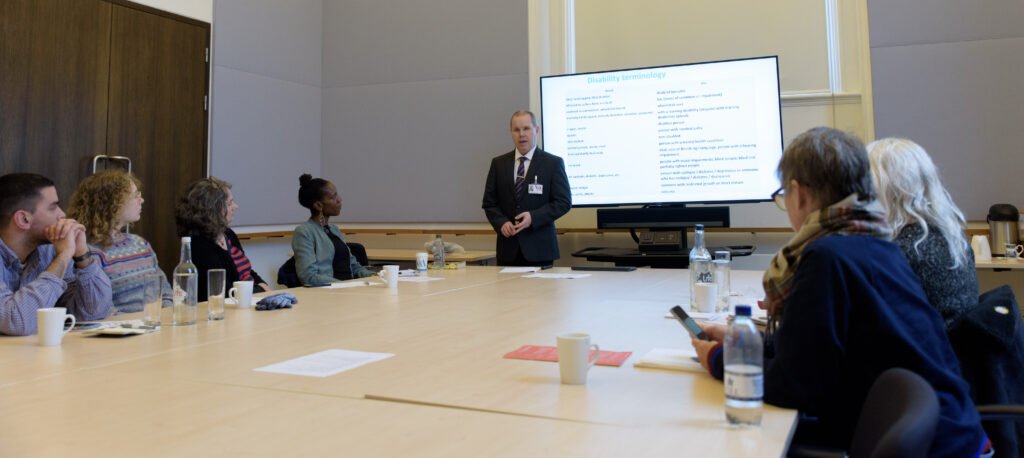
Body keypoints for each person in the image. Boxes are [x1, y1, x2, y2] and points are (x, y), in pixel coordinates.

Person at [690, 128, 987, 456]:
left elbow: (795, 387)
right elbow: (818, 353)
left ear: (799, 194)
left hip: (932, 447)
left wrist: (719, 359)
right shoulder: (876, 244)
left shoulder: (826, 255)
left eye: (782, 196)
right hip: (957, 434)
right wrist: (746, 342)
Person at [868, 138, 977, 329]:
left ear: (888, 190)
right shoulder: (950, 237)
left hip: (931, 354)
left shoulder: (904, 251)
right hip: (960, 352)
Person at [0, 173, 112, 335]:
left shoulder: (49, 251)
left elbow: (94, 312)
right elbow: (16, 321)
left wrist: (81, 254)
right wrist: (64, 256)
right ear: (23, 219)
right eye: (53, 207)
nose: (63, 215)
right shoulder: (59, 254)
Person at [67, 170, 172, 314]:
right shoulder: (87, 253)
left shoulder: (141, 244)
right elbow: (103, 311)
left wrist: (167, 316)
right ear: (112, 203)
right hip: (123, 331)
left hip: (155, 326)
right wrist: (139, 325)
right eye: (136, 196)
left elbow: (164, 291)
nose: (141, 200)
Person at [482, 110, 571, 266]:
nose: (521, 134)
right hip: (508, 250)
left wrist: (533, 217)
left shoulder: (552, 163)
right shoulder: (499, 164)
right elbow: (489, 204)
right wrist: (501, 222)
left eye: (526, 128)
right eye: (516, 130)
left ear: (536, 130)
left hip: (540, 249)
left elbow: (563, 202)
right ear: (511, 132)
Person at [174, 177, 271, 301]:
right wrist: (261, 290)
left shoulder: (228, 234)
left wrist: (265, 287)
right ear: (212, 209)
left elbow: (247, 272)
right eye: (230, 203)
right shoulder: (199, 244)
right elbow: (222, 292)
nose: (235, 206)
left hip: (248, 301)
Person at [292, 174, 373, 286]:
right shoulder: (304, 232)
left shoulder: (333, 229)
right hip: (330, 294)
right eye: (333, 197)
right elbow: (308, 277)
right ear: (318, 205)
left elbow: (354, 266)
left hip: (350, 291)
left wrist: (375, 276)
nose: (339, 199)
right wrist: (345, 285)